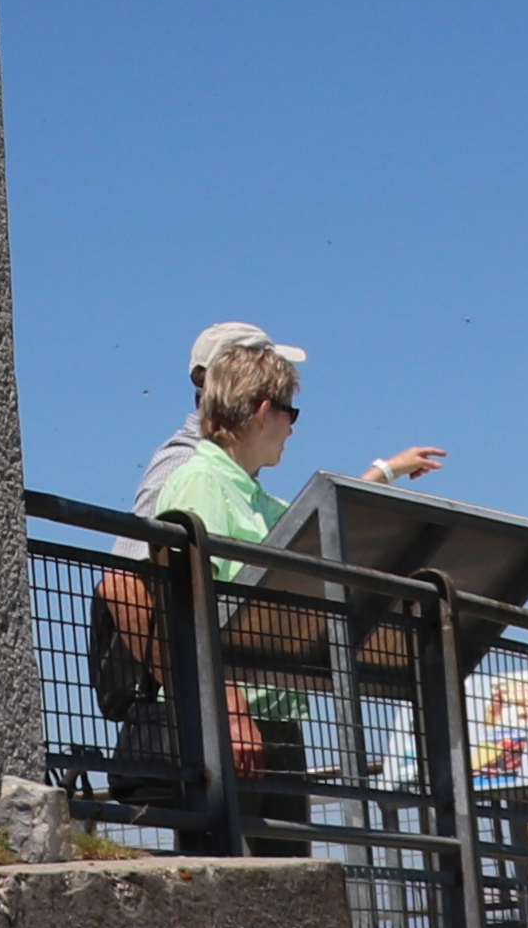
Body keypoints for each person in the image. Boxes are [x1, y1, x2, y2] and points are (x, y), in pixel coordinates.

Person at [100, 323, 442, 848]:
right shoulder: (192, 472)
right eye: (290, 410)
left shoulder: (245, 489)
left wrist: (384, 473)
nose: (294, 427)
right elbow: (128, 584)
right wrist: (228, 708)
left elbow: (307, 533)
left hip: (270, 720)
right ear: (261, 409)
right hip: (227, 723)